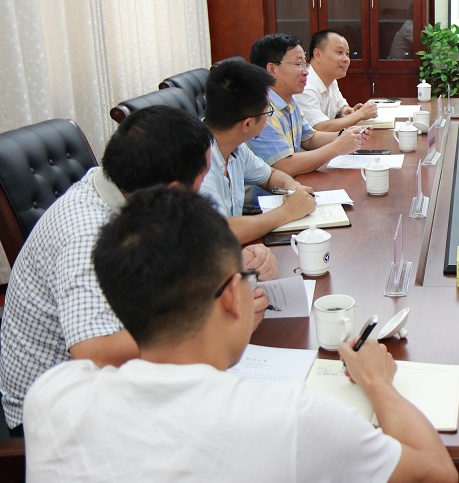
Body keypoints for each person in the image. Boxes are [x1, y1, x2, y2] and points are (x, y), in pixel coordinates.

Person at [24, 187, 459, 483]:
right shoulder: (291, 419)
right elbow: (438, 471)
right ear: (234, 296)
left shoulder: (52, 396)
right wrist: (378, 383)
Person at [0, 107, 273, 435]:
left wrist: (232, 263)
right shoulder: (86, 236)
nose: (203, 188)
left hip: (121, 376)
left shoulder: (124, 188)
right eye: (203, 178)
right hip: (61, 414)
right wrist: (211, 324)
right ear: (173, 190)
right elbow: (95, 354)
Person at [201, 58, 318, 243]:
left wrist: (293, 188)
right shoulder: (198, 166)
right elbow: (220, 234)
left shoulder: (234, 146)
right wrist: (287, 211)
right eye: (267, 112)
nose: (268, 117)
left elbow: (269, 176)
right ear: (247, 124)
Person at [247, 33, 369, 177]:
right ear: (272, 69)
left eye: (305, 63)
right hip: (272, 190)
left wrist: (345, 135)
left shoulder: (289, 100)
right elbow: (284, 166)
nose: (306, 72)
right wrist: (337, 147)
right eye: (298, 64)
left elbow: (309, 138)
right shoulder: (261, 110)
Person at [295, 29, 379, 132]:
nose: (346, 59)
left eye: (347, 54)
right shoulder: (305, 85)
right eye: (339, 52)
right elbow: (319, 128)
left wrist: (348, 111)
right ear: (317, 54)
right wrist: (360, 114)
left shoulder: (331, 78)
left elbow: (341, 108)